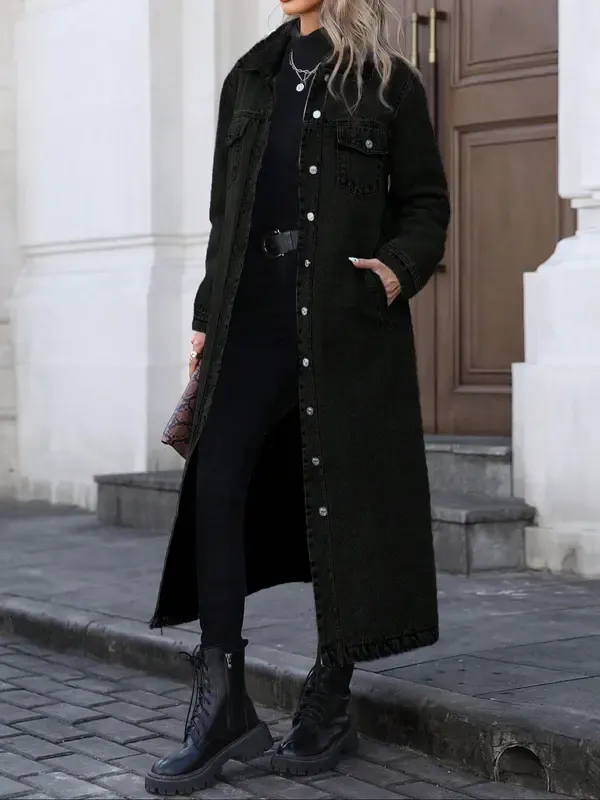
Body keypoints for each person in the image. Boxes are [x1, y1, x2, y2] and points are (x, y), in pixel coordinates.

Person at [145, 0, 450, 794]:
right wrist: (206, 318)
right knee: (217, 482)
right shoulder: (251, 76)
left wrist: (392, 273)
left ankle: (330, 698)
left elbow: (426, 205)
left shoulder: (388, 83)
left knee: (339, 500)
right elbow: (225, 214)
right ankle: (222, 704)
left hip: (342, 324)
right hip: (251, 317)